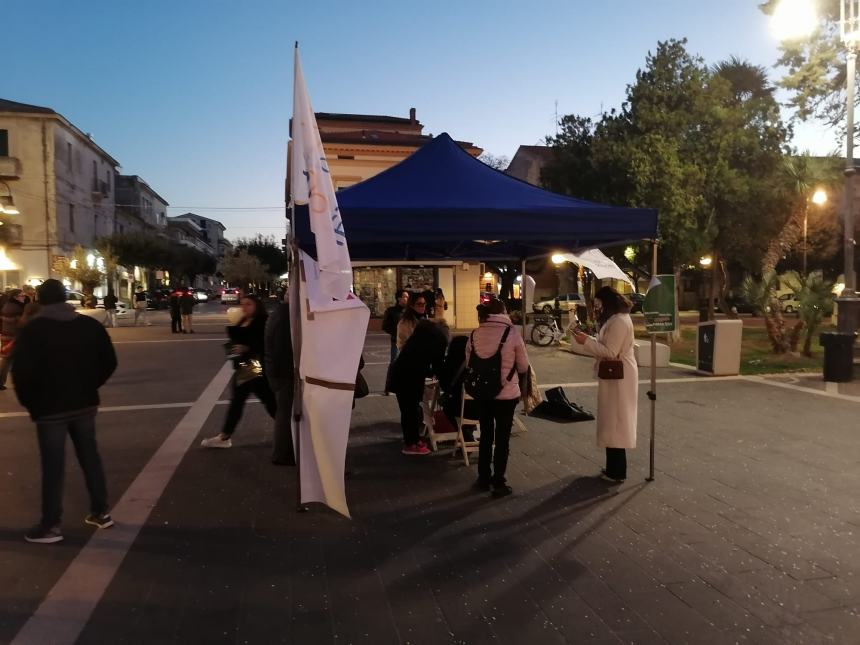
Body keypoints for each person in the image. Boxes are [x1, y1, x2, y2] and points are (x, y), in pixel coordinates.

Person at [11, 279, 117, 543]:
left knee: (53, 467)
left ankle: (51, 525)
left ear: (40, 300)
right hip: (84, 403)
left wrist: (32, 404)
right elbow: (109, 362)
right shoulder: (89, 326)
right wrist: (91, 385)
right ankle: (100, 512)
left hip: (49, 410)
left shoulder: (33, 331)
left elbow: (22, 375)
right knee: (90, 457)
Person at [572, 286, 637, 483]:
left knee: (617, 421)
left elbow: (610, 351)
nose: (598, 307)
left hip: (619, 376)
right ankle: (613, 467)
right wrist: (588, 338)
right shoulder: (615, 319)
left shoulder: (619, 321)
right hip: (614, 375)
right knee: (612, 420)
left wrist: (587, 341)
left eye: (599, 303)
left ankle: (617, 471)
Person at [466, 298, 529, 497]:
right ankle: (499, 481)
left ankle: (482, 478)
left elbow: (469, 361)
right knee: (502, 439)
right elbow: (523, 366)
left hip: (482, 393)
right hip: (506, 394)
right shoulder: (512, 333)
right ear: (503, 312)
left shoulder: (475, 333)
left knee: (485, 435)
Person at [201, 295, 277, 448]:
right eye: (242, 305)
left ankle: (225, 437)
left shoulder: (263, 320)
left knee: (240, 400)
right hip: (244, 364)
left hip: (254, 364)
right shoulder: (243, 319)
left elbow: (266, 343)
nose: (244, 308)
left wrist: (247, 347)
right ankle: (289, 428)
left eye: (249, 304)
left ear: (257, 305)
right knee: (266, 399)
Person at [388, 319, 448, 455]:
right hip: (408, 379)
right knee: (410, 411)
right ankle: (410, 444)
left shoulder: (417, 341)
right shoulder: (437, 340)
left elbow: (420, 362)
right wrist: (446, 382)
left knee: (410, 410)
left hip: (402, 377)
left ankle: (414, 440)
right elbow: (437, 365)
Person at [264, 297, 295, 465]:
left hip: (277, 373)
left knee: (283, 413)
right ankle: (282, 454)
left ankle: (284, 452)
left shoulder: (279, 314)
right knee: (284, 414)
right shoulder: (285, 317)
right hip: (282, 375)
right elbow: (283, 351)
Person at [382, 289, 409, 394]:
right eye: (405, 297)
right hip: (396, 342)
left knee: (408, 363)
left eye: (407, 297)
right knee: (394, 363)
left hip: (408, 342)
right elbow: (385, 326)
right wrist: (396, 333)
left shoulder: (409, 311)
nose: (407, 299)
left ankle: (405, 385)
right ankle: (388, 386)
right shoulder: (391, 311)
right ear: (399, 298)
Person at [0, 288, 26, 391]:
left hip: (6, 335)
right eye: (21, 295)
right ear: (15, 297)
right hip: (14, 337)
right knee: (19, 360)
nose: (23, 297)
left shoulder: (6, 306)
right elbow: (22, 323)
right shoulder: (18, 308)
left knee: (6, 359)